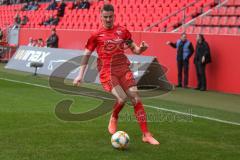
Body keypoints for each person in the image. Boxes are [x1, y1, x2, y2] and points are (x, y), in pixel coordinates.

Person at [73, 4, 159, 145]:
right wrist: (80, 75)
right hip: (108, 71)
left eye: (110, 17)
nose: (108, 20)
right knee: (121, 98)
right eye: (105, 17)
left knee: (135, 98)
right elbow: (86, 54)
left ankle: (146, 134)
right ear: (101, 17)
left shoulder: (122, 31)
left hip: (124, 69)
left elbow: (135, 50)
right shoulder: (96, 35)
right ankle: (114, 116)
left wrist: (142, 48)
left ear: (114, 16)